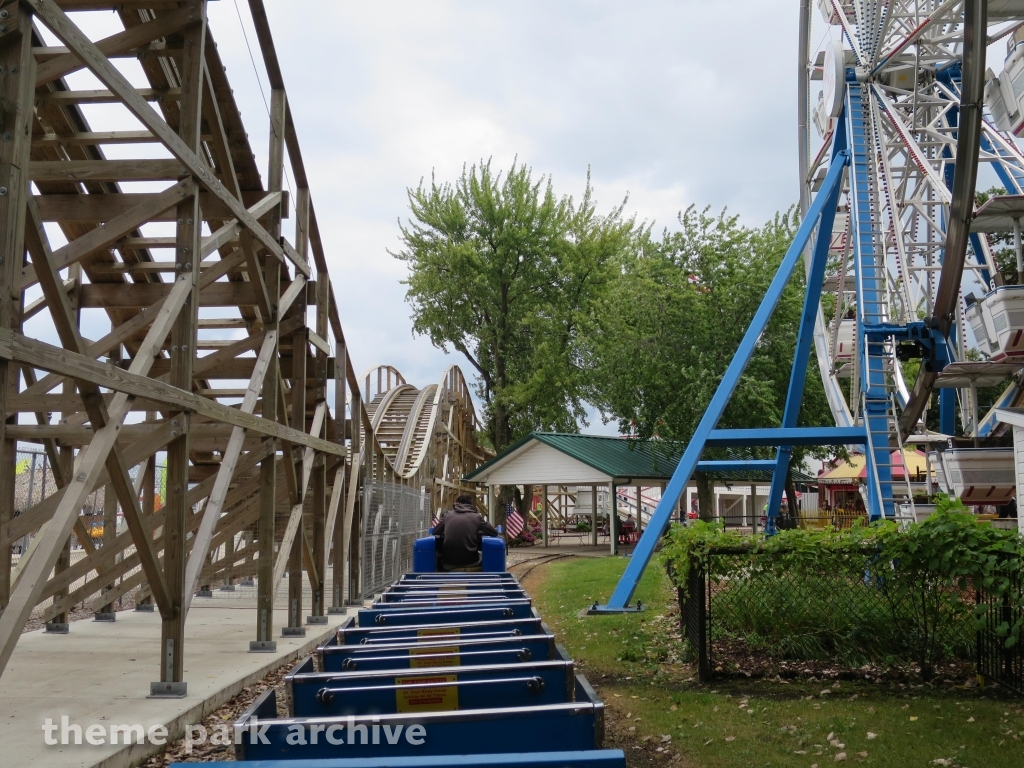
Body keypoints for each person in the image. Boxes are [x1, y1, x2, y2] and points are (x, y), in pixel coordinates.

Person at [432, 494, 500, 570]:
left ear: (457, 504)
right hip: (471, 562)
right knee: (482, 555)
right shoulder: (476, 517)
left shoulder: (447, 516)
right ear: (471, 505)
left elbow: (435, 531)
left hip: (449, 562)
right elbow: (494, 532)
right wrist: (478, 533)